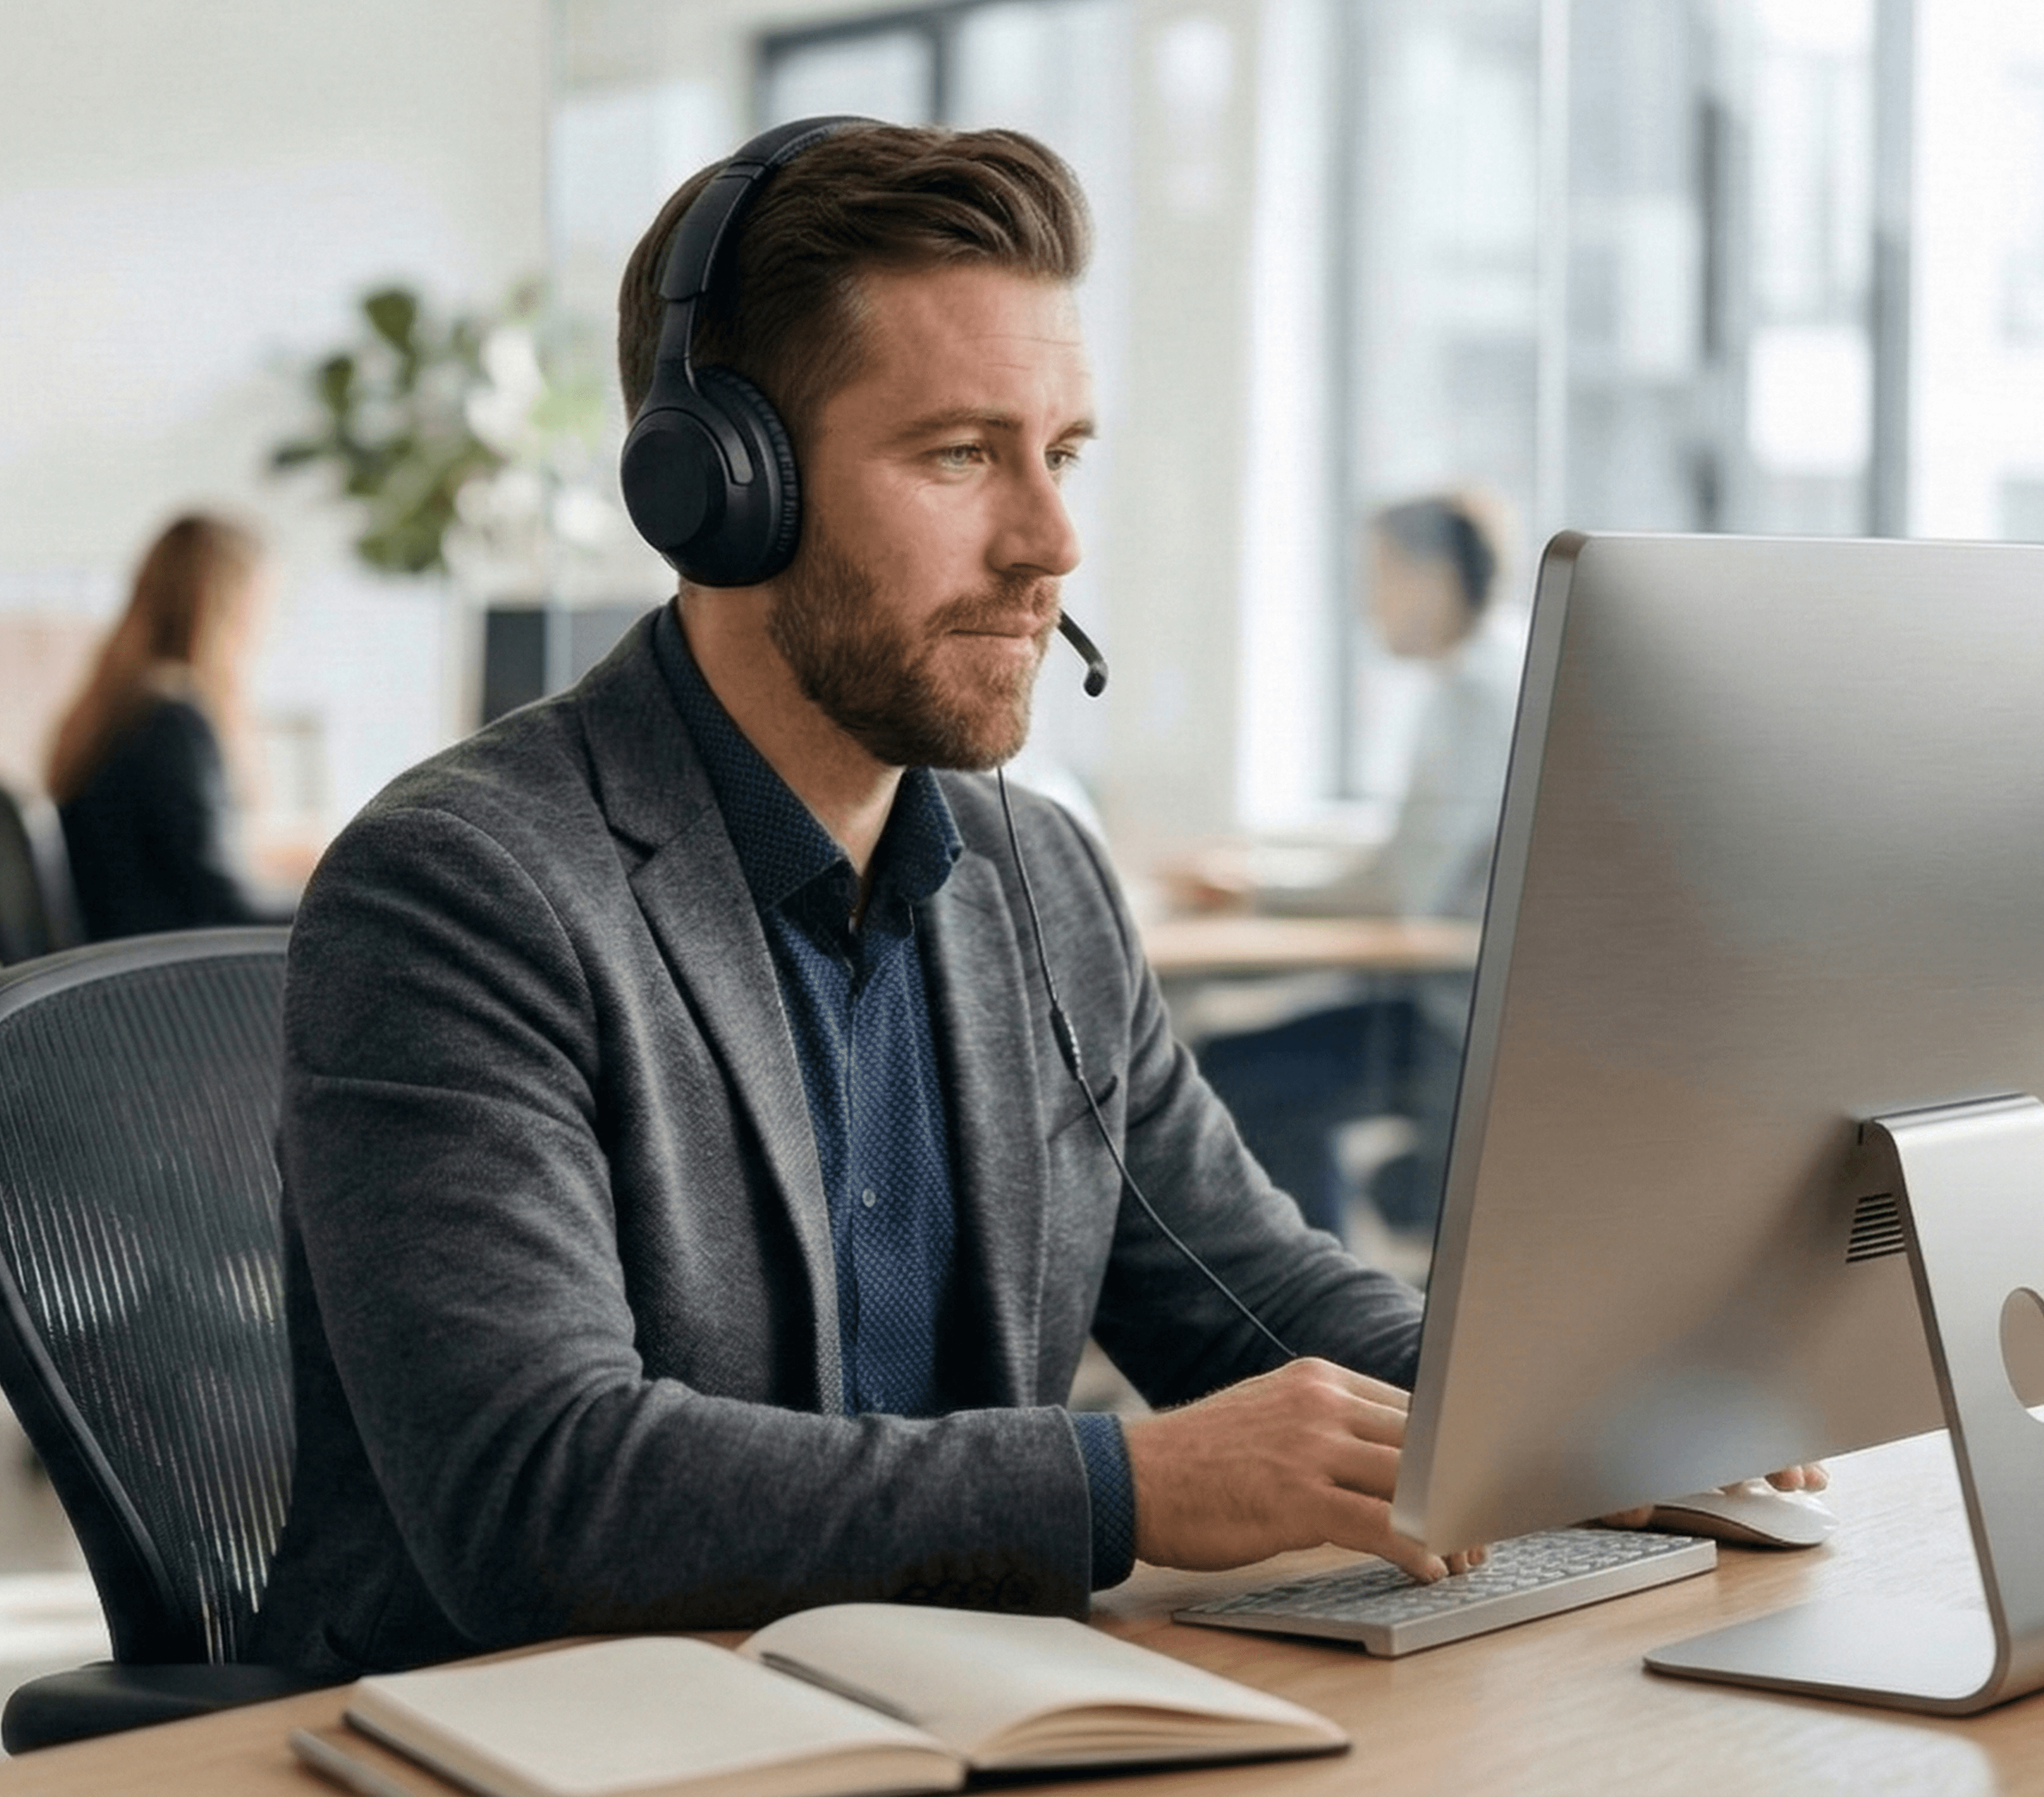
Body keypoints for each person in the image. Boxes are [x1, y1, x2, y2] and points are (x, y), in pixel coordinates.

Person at [246, 121, 1461, 1685]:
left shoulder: (1040, 879)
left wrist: (1558, 1411)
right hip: (546, 1733)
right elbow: (539, 1495)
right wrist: (1125, 1485)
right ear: (721, 487)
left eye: (1063, 452)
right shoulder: (464, 893)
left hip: (949, 1712)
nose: (1049, 542)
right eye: (961, 454)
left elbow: (1244, 1287)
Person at [1191, 492, 1524, 1239]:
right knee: (1253, 1065)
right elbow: (1414, 853)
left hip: (1458, 1027)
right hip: (1484, 1010)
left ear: (1433, 576)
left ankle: (1319, 1311)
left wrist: (1256, 891)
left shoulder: (1476, 691)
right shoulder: (1499, 670)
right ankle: (1323, 1286)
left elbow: (1406, 888)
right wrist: (1264, 869)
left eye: (1380, 575)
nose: (1367, 601)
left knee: (1233, 1070)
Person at [45, 511, 290, 937]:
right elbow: (222, 909)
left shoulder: (124, 705)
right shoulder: (173, 722)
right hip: (170, 981)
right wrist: (337, 912)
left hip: (123, 962)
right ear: (225, 612)